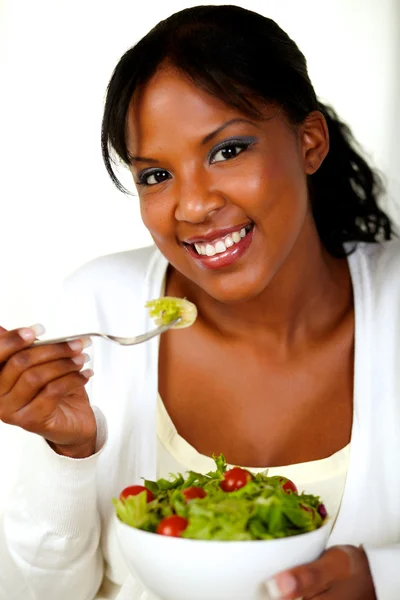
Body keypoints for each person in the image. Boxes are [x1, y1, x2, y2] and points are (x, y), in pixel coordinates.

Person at [0, 4, 399, 600]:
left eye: (227, 151)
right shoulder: (98, 308)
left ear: (309, 142)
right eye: (155, 175)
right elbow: (41, 593)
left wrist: (386, 580)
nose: (191, 206)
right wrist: (69, 452)